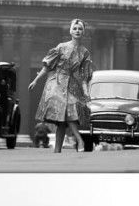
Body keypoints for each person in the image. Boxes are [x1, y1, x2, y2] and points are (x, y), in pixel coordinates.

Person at [28, 19, 93, 153]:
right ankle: (79, 139)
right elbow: (47, 66)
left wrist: (86, 94)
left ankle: (57, 151)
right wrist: (35, 80)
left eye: (80, 29)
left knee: (63, 119)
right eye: (75, 28)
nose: (77, 31)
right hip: (56, 83)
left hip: (72, 84)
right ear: (71, 31)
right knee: (68, 109)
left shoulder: (85, 52)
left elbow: (84, 78)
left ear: (83, 32)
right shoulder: (61, 47)